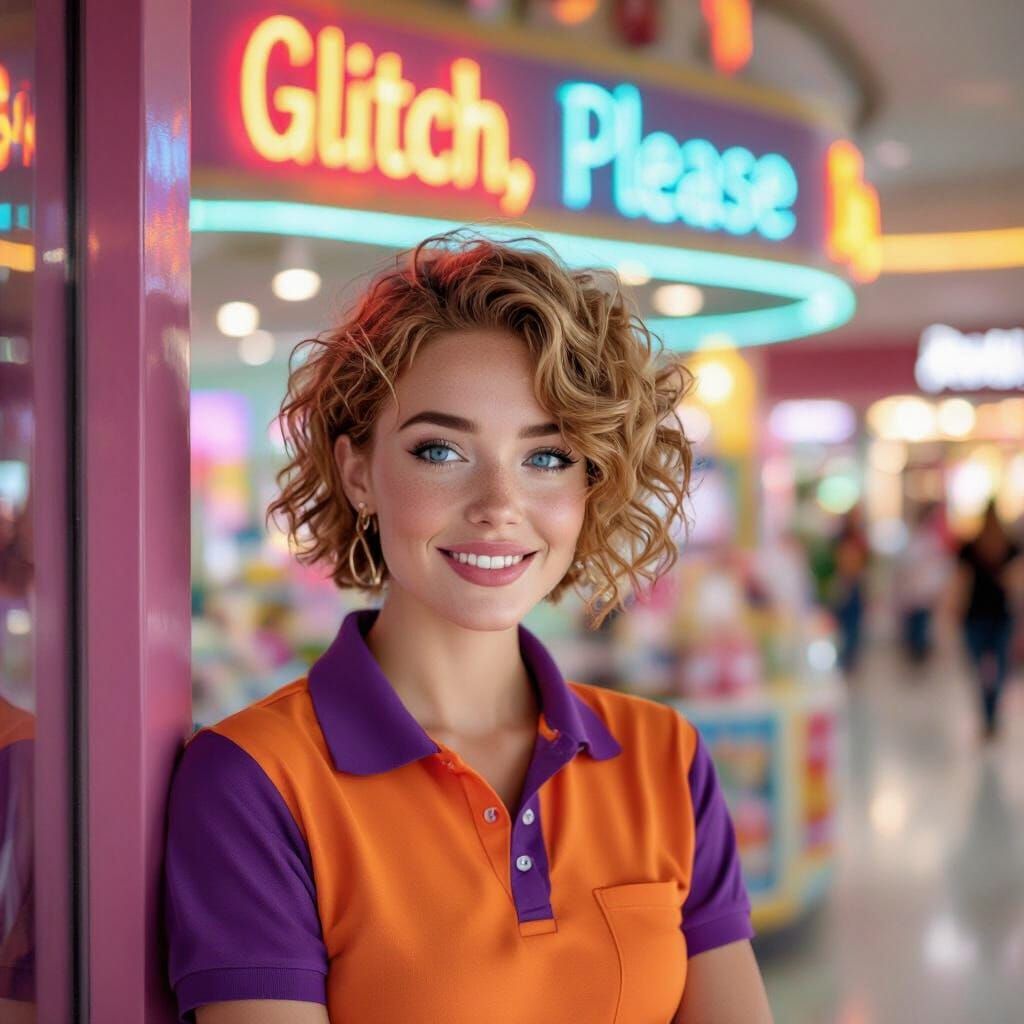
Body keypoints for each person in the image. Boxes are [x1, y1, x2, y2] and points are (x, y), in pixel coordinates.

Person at [162, 230, 773, 1024]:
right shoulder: (255, 781)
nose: (497, 505)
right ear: (358, 472)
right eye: (442, 450)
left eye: (546, 457)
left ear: (593, 479)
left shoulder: (665, 759)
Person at [947, 499, 1022, 740]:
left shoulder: (1005, 547)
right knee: (989, 668)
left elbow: (1015, 582)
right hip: (986, 616)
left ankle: (990, 715)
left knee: (991, 668)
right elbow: (961, 582)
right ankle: (988, 715)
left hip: (992, 616)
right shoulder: (974, 548)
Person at [895, 502, 954, 665]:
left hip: (925, 595)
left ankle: (919, 656)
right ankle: (916, 656)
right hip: (914, 595)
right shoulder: (915, 540)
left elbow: (941, 568)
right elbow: (905, 568)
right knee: (916, 631)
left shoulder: (932, 541)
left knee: (922, 630)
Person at [827, 504, 870, 674]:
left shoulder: (860, 539)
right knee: (843, 628)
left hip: (855, 588)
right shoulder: (841, 540)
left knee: (854, 629)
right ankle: (842, 662)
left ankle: (849, 662)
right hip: (844, 587)